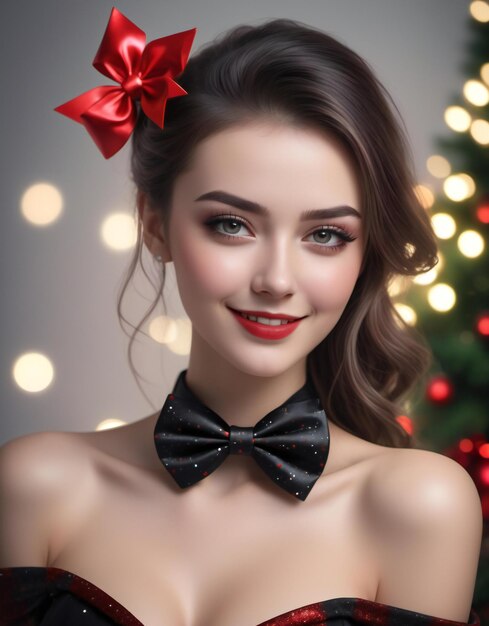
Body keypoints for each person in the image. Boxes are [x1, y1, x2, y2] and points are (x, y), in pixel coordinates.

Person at [0, 7, 483, 626]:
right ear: (155, 224)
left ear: (366, 252)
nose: (277, 280)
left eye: (327, 235)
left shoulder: (419, 506)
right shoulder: (34, 486)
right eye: (232, 224)